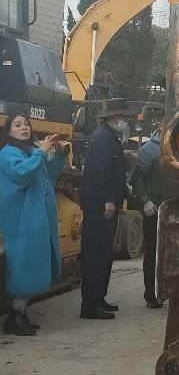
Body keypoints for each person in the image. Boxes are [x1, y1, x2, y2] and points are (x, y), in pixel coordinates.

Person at [0, 114, 66, 335]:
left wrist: (58, 153)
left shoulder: (29, 151)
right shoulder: (8, 153)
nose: (24, 128)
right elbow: (23, 174)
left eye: (26, 124)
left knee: (32, 267)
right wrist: (41, 152)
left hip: (35, 220)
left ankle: (19, 314)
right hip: (22, 221)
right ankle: (14, 318)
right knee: (24, 267)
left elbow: (50, 173)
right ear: (9, 131)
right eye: (17, 125)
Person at [131, 124, 179, 308]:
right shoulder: (149, 151)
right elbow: (137, 178)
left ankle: (177, 292)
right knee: (154, 253)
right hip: (156, 211)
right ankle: (152, 294)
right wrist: (145, 201)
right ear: (161, 127)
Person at [79, 99, 131, 320]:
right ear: (112, 118)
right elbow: (101, 173)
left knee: (103, 254)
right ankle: (91, 305)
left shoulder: (109, 136)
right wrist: (108, 200)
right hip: (99, 207)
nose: (126, 121)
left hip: (104, 205)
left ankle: (99, 298)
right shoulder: (103, 138)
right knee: (96, 254)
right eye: (123, 117)